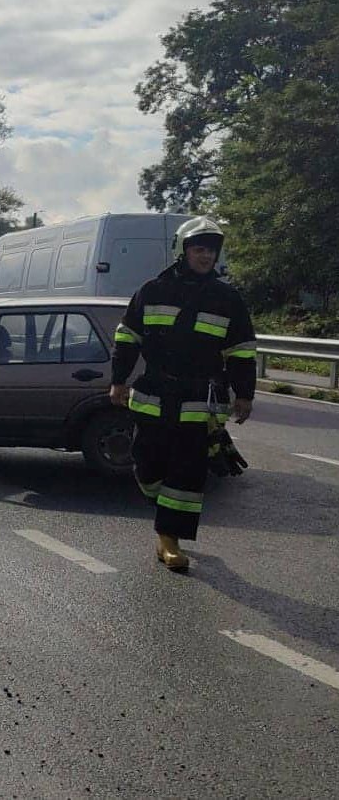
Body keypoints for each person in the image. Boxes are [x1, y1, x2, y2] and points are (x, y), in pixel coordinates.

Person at [109, 217, 255, 571]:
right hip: (155, 391)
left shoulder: (227, 298)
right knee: (146, 463)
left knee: (187, 471)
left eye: (211, 250)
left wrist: (244, 394)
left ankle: (168, 539)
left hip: (200, 398)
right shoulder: (151, 290)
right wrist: (119, 380)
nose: (206, 256)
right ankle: (164, 516)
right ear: (183, 251)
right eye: (199, 249)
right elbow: (128, 339)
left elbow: (242, 351)